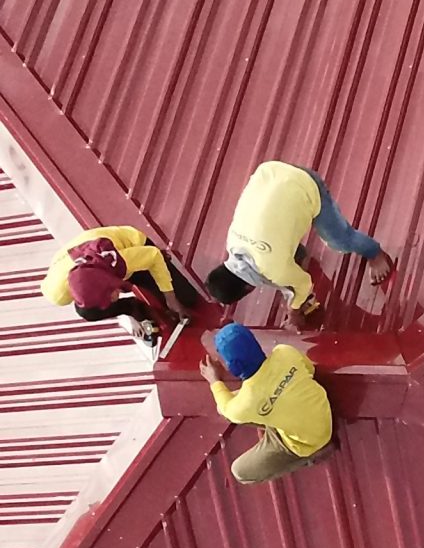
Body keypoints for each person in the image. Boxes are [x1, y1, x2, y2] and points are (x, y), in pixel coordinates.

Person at [203, 162, 394, 322]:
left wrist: (294, 310)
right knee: (277, 247)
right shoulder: (233, 243)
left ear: (248, 287)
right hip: (272, 172)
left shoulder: (274, 269)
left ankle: (374, 253)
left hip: (305, 185)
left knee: (341, 241)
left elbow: (304, 284)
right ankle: (298, 255)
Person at [199, 323, 336, 486]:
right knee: (247, 405)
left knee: (240, 472)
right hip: (322, 414)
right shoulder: (284, 352)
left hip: (306, 442)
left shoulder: (247, 401)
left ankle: (312, 455)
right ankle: (275, 416)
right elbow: (310, 371)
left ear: (231, 366)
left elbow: (227, 410)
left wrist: (214, 381)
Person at [41, 226, 193, 338]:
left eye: (110, 295)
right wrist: (125, 318)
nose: (114, 299)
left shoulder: (117, 260)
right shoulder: (58, 294)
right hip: (99, 268)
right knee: (87, 312)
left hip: (133, 246)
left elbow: (153, 256)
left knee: (187, 299)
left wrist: (170, 297)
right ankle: (129, 309)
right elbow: (57, 260)